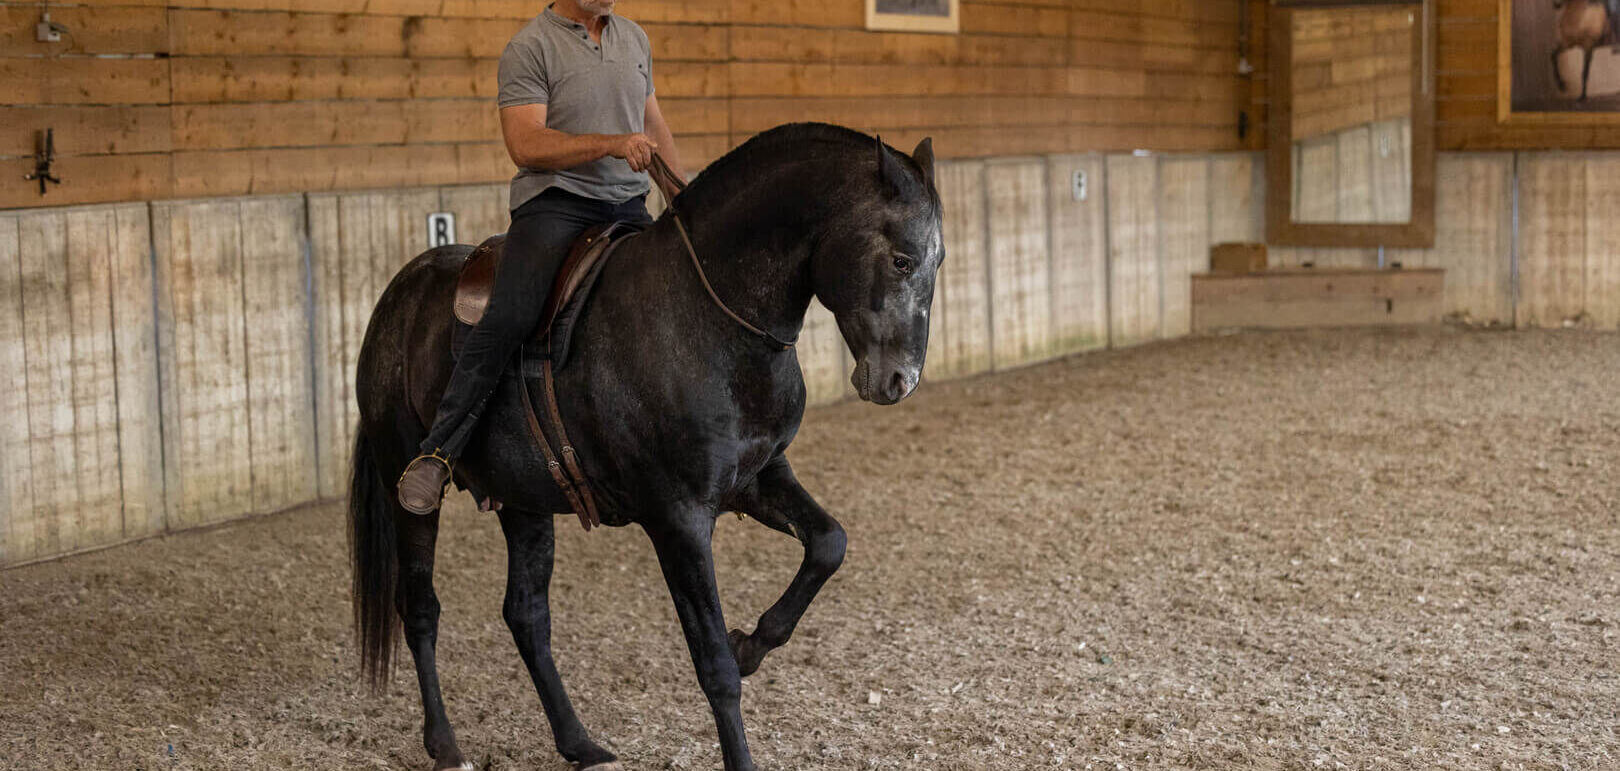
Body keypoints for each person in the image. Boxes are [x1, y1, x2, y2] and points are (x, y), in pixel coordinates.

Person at [397, 0, 684, 515]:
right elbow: (525, 144)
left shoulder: (634, 38)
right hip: (557, 206)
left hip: (627, 202)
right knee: (510, 314)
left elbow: (653, 123)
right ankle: (440, 451)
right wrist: (611, 144)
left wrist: (684, 199)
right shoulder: (529, 47)